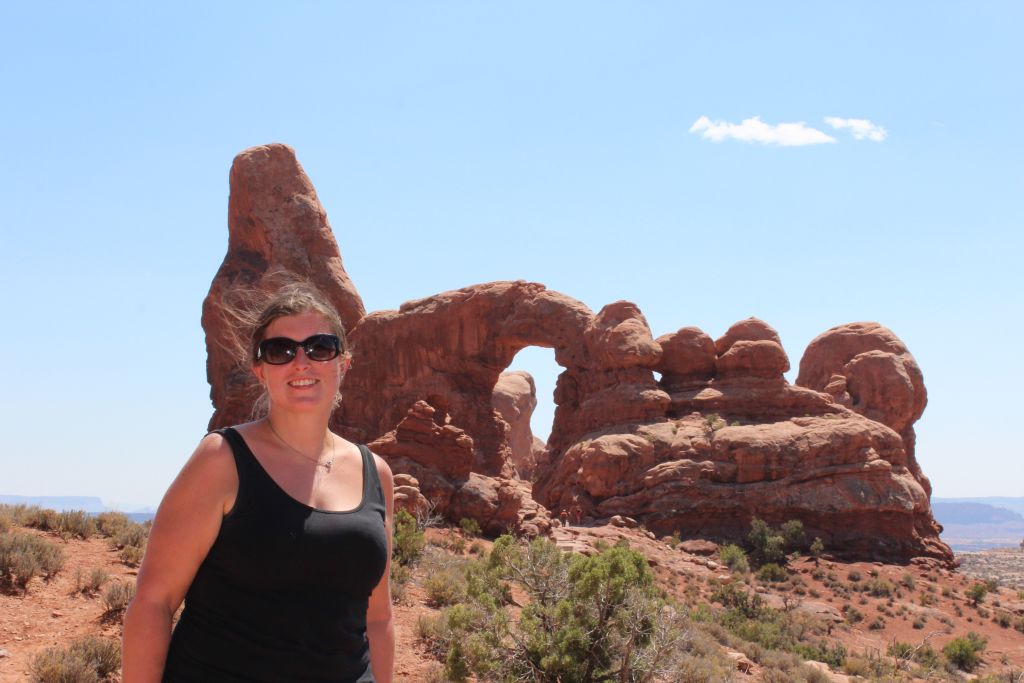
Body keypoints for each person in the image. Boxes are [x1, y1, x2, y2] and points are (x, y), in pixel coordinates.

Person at [123, 282, 395, 682]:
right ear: (260, 369)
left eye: (319, 347)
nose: (301, 362)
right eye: (280, 350)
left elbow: (378, 617)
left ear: (343, 363)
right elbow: (153, 603)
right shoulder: (222, 460)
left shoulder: (376, 473)